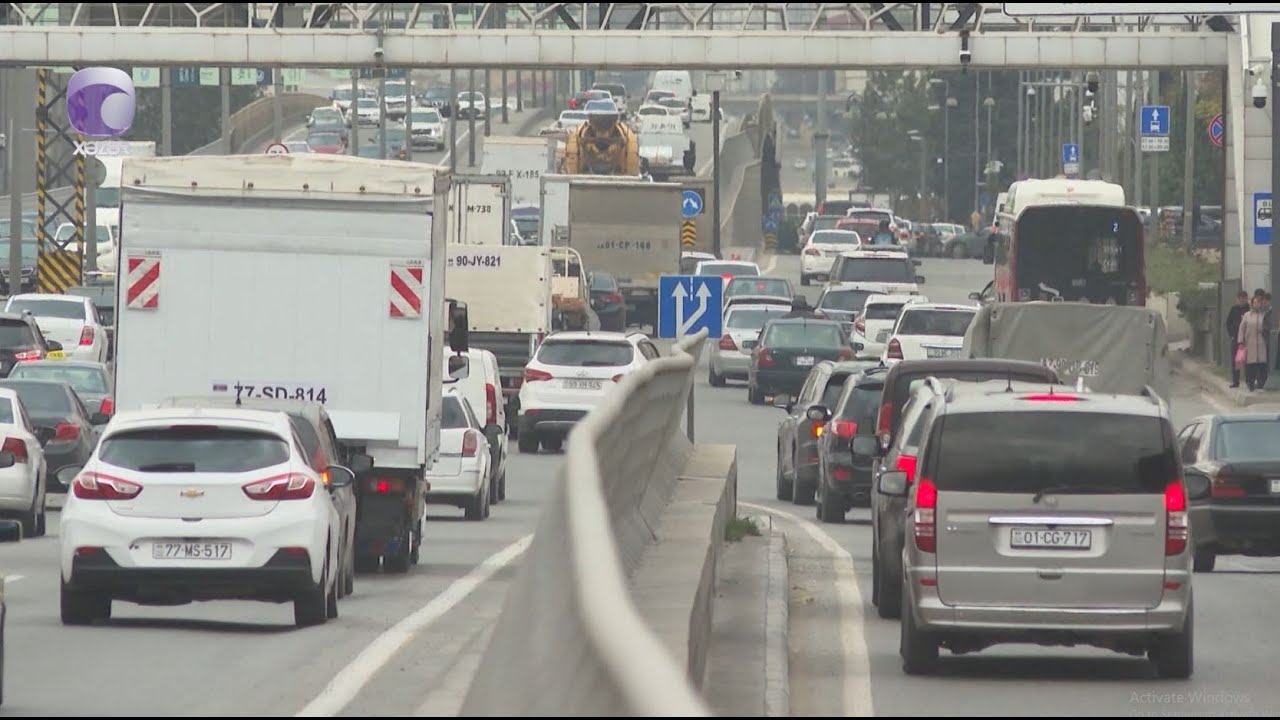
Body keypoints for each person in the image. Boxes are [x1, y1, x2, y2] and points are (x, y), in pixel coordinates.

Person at [1238, 294, 1270, 391]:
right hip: (1250, 343)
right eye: (1254, 302)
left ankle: (1261, 383)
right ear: (1252, 304)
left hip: (1261, 343)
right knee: (1250, 365)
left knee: (1262, 365)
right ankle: (1250, 383)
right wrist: (1240, 341)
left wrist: (1264, 331)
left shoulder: (1265, 315)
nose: (1257, 304)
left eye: (1258, 302)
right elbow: (1242, 329)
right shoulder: (1247, 315)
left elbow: (1269, 327)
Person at [1226, 290, 1249, 388]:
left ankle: (1249, 381)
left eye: (1243, 298)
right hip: (1235, 338)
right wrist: (1231, 335)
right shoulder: (1234, 309)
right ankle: (1236, 381)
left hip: (1247, 339)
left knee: (1248, 361)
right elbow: (1228, 322)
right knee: (1237, 360)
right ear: (1237, 299)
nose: (1241, 300)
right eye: (1240, 298)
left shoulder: (1249, 309)